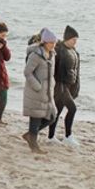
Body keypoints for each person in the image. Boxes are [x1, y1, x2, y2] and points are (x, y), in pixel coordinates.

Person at [22, 28, 58, 156]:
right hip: (35, 92)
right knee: (36, 119)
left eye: (54, 42)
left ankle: (30, 135)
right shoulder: (36, 55)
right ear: (44, 42)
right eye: (50, 42)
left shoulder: (52, 55)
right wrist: (37, 86)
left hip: (47, 92)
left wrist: (52, 84)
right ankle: (34, 146)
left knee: (52, 116)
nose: (53, 45)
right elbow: (27, 72)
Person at [49, 25, 81, 146]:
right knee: (72, 109)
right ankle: (68, 136)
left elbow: (76, 71)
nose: (75, 42)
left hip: (68, 86)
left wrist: (76, 87)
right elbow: (53, 69)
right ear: (67, 39)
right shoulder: (59, 50)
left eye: (76, 40)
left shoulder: (74, 51)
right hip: (60, 86)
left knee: (58, 111)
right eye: (73, 39)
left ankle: (51, 137)